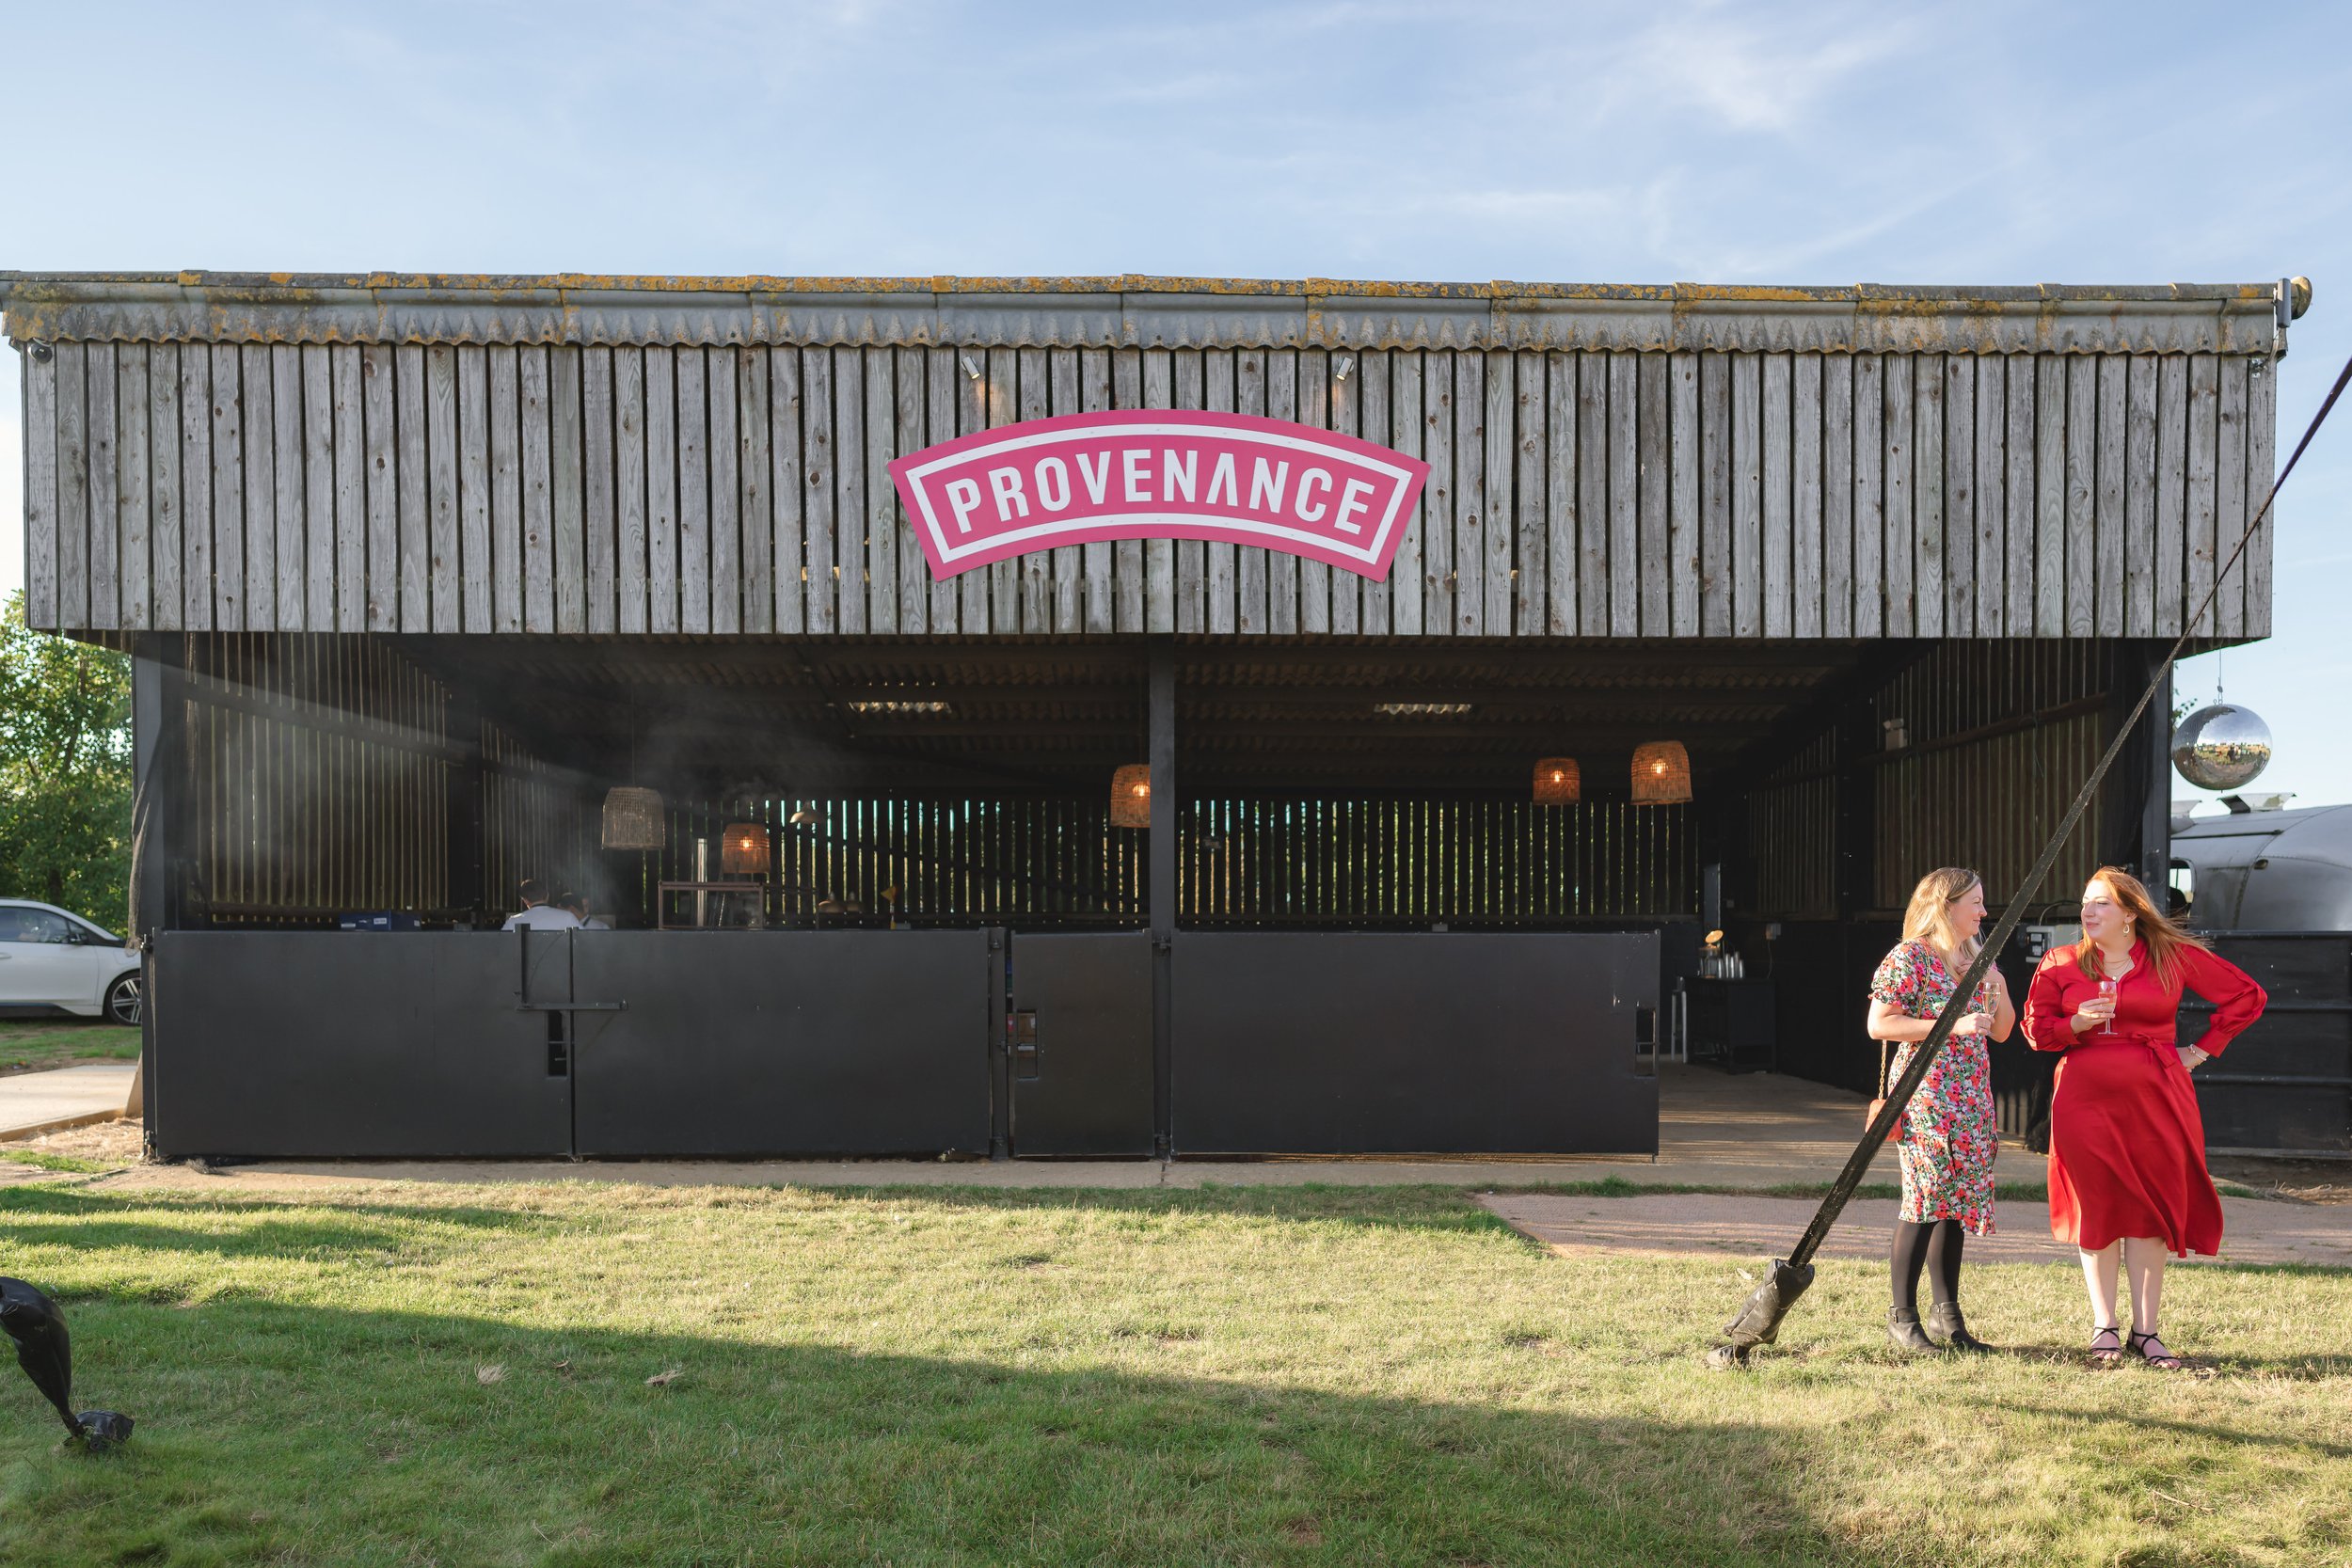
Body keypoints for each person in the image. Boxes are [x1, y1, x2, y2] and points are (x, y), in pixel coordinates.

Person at [2024, 866, 2266, 1370]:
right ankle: (2104, 1328)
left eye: (2101, 904)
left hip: (2157, 1096)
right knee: (2097, 1209)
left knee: (2151, 1212)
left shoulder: (2170, 958)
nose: (2088, 911)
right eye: (2086, 903)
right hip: (2083, 1100)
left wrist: (2198, 1053)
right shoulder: (2061, 961)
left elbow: (2248, 996)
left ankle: (2147, 1332)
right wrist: (2077, 1023)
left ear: (2130, 913)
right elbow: (2037, 1032)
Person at [1866, 868, 2015, 1354]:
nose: (1984, 911)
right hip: (1925, 1094)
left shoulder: (1976, 956)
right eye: (1975, 901)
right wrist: (1951, 1025)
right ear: (1946, 904)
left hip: (1971, 1097)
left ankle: (1948, 1317)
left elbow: (2002, 1031)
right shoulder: (1909, 956)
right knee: (1925, 1200)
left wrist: (1996, 982)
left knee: (1956, 1203)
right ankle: (1902, 1318)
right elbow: (1879, 1025)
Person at [500, 879, 580, 931]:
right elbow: (585, 940)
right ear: (547, 895)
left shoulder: (513, 922)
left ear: (525, 900)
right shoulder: (567, 917)